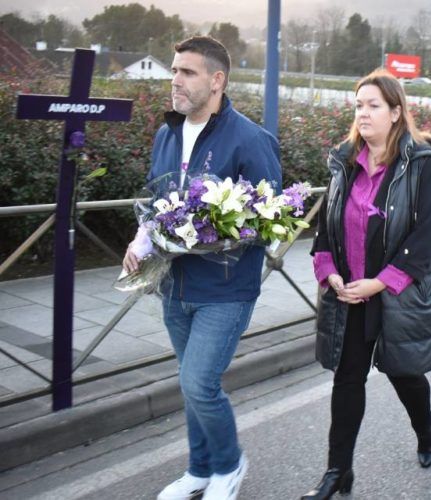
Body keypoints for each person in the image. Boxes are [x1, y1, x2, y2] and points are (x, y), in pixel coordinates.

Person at [122, 36, 282, 500]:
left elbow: (270, 222)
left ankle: (229, 466)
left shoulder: (251, 139)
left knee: (199, 383)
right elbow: (156, 203)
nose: (175, 80)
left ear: (216, 81)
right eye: (173, 70)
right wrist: (141, 240)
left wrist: (211, 230)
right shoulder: (166, 133)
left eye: (186, 72)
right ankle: (198, 470)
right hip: (174, 285)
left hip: (226, 290)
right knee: (190, 385)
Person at [303, 70, 431, 499]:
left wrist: (380, 283)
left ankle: (425, 432)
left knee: (406, 376)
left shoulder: (422, 164)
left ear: (396, 111)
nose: (363, 113)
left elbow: (425, 240)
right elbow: (328, 223)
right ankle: (338, 472)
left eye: (373, 105)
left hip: (394, 294)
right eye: (358, 105)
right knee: (348, 379)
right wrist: (328, 268)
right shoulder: (345, 162)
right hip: (350, 293)